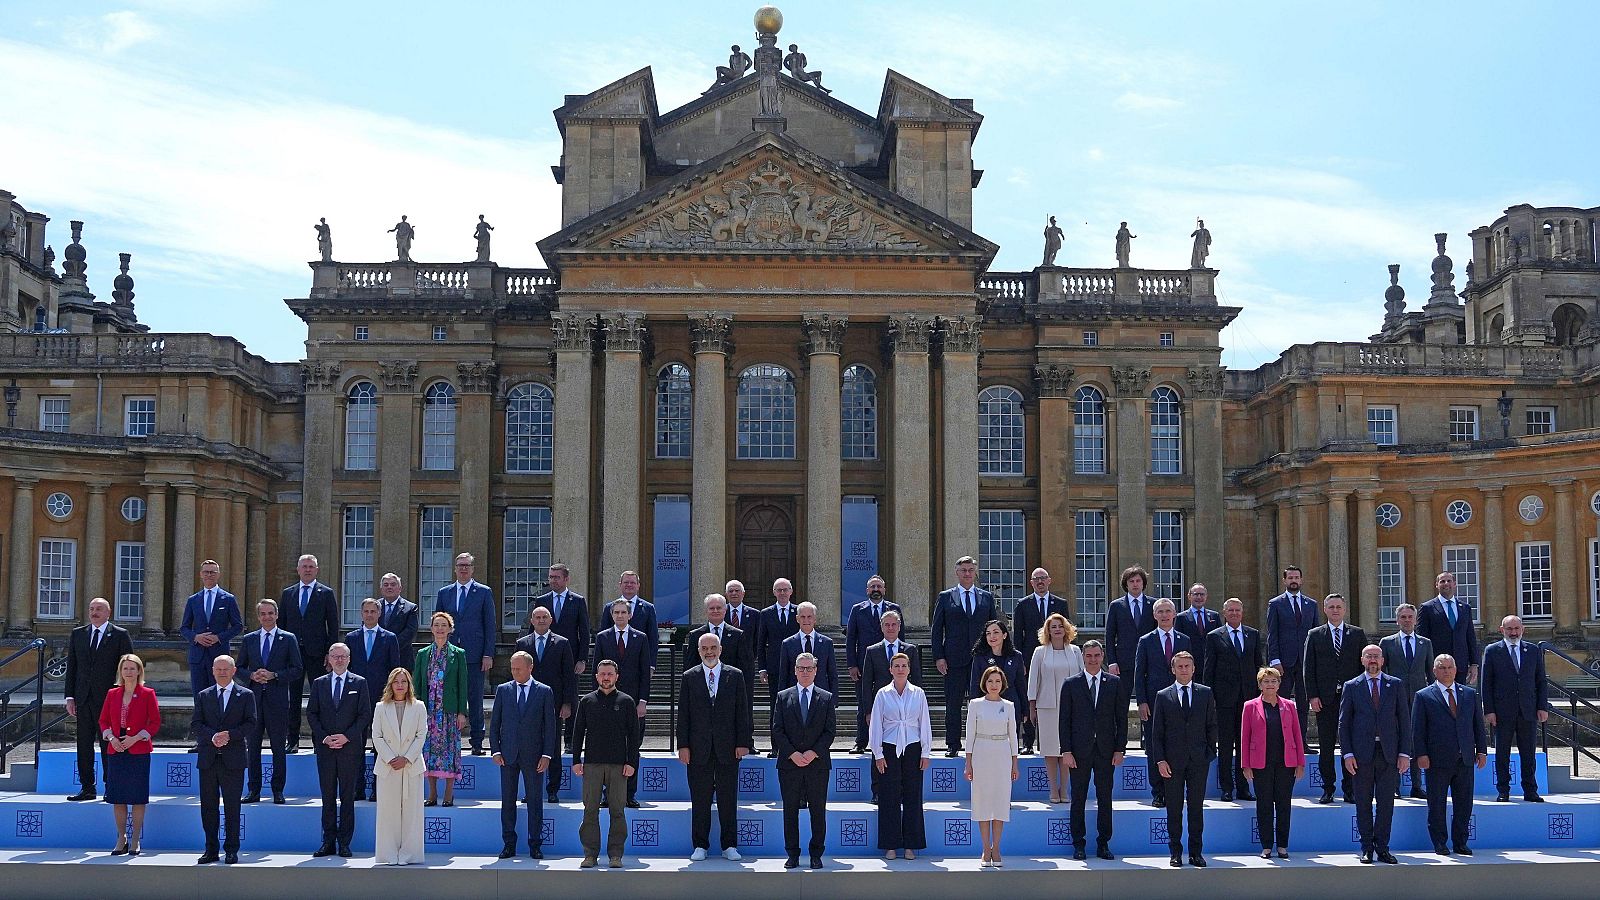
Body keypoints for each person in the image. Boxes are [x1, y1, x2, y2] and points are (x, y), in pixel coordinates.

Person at [678, 631, 753, 861]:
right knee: (699, 799)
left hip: (728, 748)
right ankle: (700, 845)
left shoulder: (735, 675)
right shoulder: (690, 677)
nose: (709, 652)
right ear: (698, 651)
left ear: (720, 650)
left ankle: (729, 845)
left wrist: (743, 742)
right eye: (704, 649)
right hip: (698, 749)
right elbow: (684, 715)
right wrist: (683, 746)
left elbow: (743, 712)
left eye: (713, 648)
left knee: (727, 798)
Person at [1338, 644, 1410, 864]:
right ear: (1362, 660)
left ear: (1382, 660)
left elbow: (1404, 722)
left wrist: (1405, 753)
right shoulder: (1352, 686)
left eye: (1376, 657)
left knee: (1386, 803)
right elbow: (1344, 723)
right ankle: (1367, 847)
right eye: (1369, 656)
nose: (1372, 660)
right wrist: (1347, 753)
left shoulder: (1395, 685)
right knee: (1363, 803)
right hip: (1361, 755)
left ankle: (1383, 847)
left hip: (1388, 753)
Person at [1411, 654, 1488, 855]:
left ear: (1456, 670)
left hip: (1465, 758)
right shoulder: (1424, 695)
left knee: (1464, 803)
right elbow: (1418, 729)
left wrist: (1481, 750)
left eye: (1449, 667)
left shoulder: (1469, 694)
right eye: (1442, 668)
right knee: (1437, 804)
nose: (1446, 671)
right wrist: (1421, 754)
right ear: (1435, 671)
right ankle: (1440, 842)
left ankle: (1460, 842)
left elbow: (1478, 726)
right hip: (1437, 760)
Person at [1057, 641, 1126, 861]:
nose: (1093, 659)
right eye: (1089, 655)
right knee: (1078, 798)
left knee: (1105, 798)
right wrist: (1066, 750)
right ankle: (1079, 844)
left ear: (1103, 656)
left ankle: (1103, 843)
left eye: (1097, 655)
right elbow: (1064, 721)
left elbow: (1121, 720)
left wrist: (1119, 749)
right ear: (1083, 657)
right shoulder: (1071, 684)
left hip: (1106, 751)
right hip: (1078, 752)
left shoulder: (1114, 683)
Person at [1149, 651, 1216, 867]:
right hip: (1172, 762)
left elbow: (1211, 726)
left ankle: (1196, 853)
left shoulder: (1205, 693)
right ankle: (1175, 852)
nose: (1184, 670)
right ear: (1173, 669)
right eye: (1180, 666)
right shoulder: (1163, 695)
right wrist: (1160, 760)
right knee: (1174, 809)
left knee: (1196, 808)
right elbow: (1156, 732)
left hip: (1198, 761)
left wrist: (1209, 753)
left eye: (1188, 666)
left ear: (1194, 668)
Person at [572, 660, 641, 869]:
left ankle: (615, 854)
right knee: (590, 809)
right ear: (596, 677)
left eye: (610, 674)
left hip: (619, 765)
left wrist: (631, 762)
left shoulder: (627, 701)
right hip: (592, 764)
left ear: (617, 676)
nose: (606, 677)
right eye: (602, 674)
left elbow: (634, 736)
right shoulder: (587, 701)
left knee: (617, 810)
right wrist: (576, 760)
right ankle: (590, 854)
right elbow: (577, 733)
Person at [64, 597, 133, 802]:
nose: (94, 612)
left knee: (109, 744)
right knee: (83, 744)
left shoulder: (120, 635)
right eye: (92, 608)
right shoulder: (78, 634)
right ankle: (87, 788)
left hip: (110, 700)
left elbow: (128, 669)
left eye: (99, 609)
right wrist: (70, 697)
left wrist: (125, 697)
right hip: (83, 699)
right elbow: (72, 668)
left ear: (108, 613)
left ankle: (111, 787)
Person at [307, 643, 372, 858]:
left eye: (343, 656)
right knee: (327, 797)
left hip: (349, 749)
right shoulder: (319, 683)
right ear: (329, 659)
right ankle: (328, 842)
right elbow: (312, 715)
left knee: (347, 798)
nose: (339, 660)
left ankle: (345, 842)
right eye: (335, 656)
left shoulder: (359, 683)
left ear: (349, 658)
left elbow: (364, 715)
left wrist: (347, 737)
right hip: (326, 749)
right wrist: (325, 737)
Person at [491, 650, 556, 859]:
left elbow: (550, 727)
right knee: (507, 801)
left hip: (534, 755)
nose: (514, 672)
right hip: (507, 755)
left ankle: (535, 844)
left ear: (530, 668)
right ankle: (508, 844)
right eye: (512, 668)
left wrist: (547, 755)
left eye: (518, 668)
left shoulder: (544, 691)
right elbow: (495, 724)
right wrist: (495, 750)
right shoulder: (503, 690)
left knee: (535, 802)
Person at [236, 598, 303, 804]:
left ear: (276, 615)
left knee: (277, 748)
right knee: (253, 747)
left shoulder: (288, 638)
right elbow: (239, 668)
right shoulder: (250, 639)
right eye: (263, 614)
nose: (267, 617)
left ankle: (277, 790)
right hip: (254, 701)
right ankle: (253, 790)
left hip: (278, 700)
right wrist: (251, 675)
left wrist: (275, 675)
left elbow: (297, 669)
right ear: (258, 617)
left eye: (270, 613)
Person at [1302, 593, 1367, 804]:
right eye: (1331, 607)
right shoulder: (1315, 634)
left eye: (1339, 606)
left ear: (1344, 609)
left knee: (1351, 745)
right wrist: (1312, 695)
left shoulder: (1357, 634)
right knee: (1327, 746)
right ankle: (1328, 788)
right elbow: (1308, 668)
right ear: (1325, 609)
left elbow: (1363, 669)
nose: (1335, 610)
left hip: (1351, 700)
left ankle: (1350, 789)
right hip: (1325, 699)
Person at [773, 652, 835, 869]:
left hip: (817, 765)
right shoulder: (783, 697)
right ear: (795, 670)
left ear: (816, 671)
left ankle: (816, 853)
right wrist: (793, 754)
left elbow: (829, 732)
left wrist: (813, 753)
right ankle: (792, 854)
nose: (805, 672)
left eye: (809, 668)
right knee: (790, 810)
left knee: (818, 810)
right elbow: (777, 730)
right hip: (789, 765)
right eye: (801, 668)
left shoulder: (826, 698)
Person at [192, 654, 256, 864]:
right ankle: (211, 849)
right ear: (212, 671)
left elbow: (251, 724)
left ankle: (231, 849)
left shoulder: (245, 695)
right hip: (209, 759)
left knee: (232, 807)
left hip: (233, 760)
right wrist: (212, 736)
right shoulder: (203, 695)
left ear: (234, 671)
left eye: (225, 669)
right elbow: (196, 724)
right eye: (218, 669)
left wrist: (230, 735)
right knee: (208, 807)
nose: (221, 672)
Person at [1479, 614, 1549, 802]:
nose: (1513, 632)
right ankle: (1503, 790)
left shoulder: (1532, 650)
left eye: (1516, 629)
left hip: (1528, 710)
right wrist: (1489, 710)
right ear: (1502, 630)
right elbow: (1486, 684)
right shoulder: (1492, 651)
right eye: (1509, 629)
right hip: (1502, 712)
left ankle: (1530, 790)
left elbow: (1541, 681)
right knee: (1503, 753)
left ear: (1522, 630)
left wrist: (1542, 706)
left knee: (1529, 753)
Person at [931, 556, 996, 757]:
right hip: (953, 659)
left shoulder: (986, 597)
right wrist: (938, 656)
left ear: (975, 572)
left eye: (970, 570)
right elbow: (936, 629)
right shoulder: (945, 597)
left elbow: (994, 628)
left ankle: (980, 742)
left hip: (982, 660)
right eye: (963, 570)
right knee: (953, 703)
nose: (967, 573)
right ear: (957, 573)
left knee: (983, 703)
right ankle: (952, 744)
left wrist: (995, 656)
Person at [869, 652, 930, 860]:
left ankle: (912, 845)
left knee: (913, 796)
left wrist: (926, 751)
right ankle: (891, 845)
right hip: (889, 747)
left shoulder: (918, 693)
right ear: (890, 669)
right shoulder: (882, 694)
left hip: (913, 747)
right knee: (889, 796)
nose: (901, 669)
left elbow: (925, 724)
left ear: (909, 669)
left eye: (904, 665)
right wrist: (877, 753)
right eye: (897, 666)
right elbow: (876, 724)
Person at [1202, 598, 1264, 801]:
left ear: (1242, 612)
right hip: (1224, 699)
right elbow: (1208, 670)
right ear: (1224, 613)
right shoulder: (1214, 636)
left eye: (1238, 610)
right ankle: (1227, 788)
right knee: (1227, 745)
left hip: (1248, 699)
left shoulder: (1252, 634)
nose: (1235, 613)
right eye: (1231, 610)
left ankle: (1244, 787)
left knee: (1245, 744)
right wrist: (1209, 698)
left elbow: (1258, 668)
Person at [435, 552, 497, 755]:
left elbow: (490, 625)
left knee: (475, 698)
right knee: (448, 697)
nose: (463, 569)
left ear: (472, 569)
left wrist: (488, 653)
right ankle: (448, 740)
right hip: (449, 655)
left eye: (467, 566)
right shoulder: (445, 593)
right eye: (460, 565)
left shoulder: (483, 592)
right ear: (455, 568)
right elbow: (438, 625)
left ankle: (477, 742)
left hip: (475, 655)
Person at [592, 598, 652, 807]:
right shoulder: (602, 638)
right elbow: (596, 673)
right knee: (607, 748)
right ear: (611, 615)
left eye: (623, 612)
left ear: (630, 615)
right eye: (616, 612)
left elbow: (645, 673)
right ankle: (608, 795)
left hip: (634, 703)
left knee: (632, 748)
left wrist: (642, 701)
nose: (619, 616)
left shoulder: (641, 638)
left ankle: (629, 794)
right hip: (608, 702)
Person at [514, 606, 577, 804]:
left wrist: (567, 703)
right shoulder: (522, 643)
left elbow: (569, 676)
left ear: (550, 621)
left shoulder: (562, 643)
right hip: (528, 704)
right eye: (537, 617)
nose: (541, 620)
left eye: (544, 617)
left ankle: (553, 789)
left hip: (554, 704)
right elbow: (516, 675)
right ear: (531, 620)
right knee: (528, 748)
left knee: (553, 746)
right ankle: (531, 790)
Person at [1240, 666, 1304, 859]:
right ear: (1260, 685)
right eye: (1266, 681)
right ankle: (1266, 846)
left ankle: (1283, 845)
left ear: (1279, 684)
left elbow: (1297, 735)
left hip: (1286, 763)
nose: (1270, 684)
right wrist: (1246, 764)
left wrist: (1300, 762)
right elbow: (1245, 737)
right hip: (1261, 764)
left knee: (1284, 805)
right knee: (1264, 805)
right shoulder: (1250, 706)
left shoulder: (1289, 706)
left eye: (1274, 681)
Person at [99, 653, 158, 856]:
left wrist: (136, 738)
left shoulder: (148, 693)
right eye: (125, 668)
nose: (129, 672)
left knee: (138, 797)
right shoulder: (112, 694)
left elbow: (155, 722)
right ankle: (121, 837)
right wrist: (111, 737)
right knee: (118, 798)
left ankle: (135, 840)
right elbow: (103, 721)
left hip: (138, 749)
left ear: (139, 671)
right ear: (120, 672)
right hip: (116, 749)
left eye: (132, 668)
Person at [280, 554, 340, 751]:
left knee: (319, 699)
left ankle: (319, 740)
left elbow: (333, 626)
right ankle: (293, 739)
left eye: (311, 567)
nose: (307, 569)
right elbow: (282, 625)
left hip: (318, 654)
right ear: (298, 569)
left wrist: (330, 654)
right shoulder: (288, 593)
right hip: (293, 655)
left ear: (317, 570)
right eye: (304, 566)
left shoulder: (326, 593)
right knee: (293, 698)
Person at [1133, 598, 1189, 807]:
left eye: (1168, 611)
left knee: (1177, 745)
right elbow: (1139, 674)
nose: (1165, 615)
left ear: (1174, 614)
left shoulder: (1184, 640)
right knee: (1154, 747)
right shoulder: (1145, 641)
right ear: (1154, 616)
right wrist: (1141, 701)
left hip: (1178, 700)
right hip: (1154, 701)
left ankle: (1175, 789)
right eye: (1160, 612)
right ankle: (1158, 792)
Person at [372, 666, 428, 865]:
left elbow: (421, 735)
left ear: (409, 684)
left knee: (412, 813)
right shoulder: (381, 707)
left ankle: (409, 855)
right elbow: (376, 736)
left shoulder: (419, 707)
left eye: (404, 681)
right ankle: (388, 854)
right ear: (390, 684)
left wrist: (407, 758)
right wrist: (390, 758)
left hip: (411, 766)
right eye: (396, 681)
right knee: (388, 812)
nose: (400, 685)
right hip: (388, 767)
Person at [348, 597, 402, 798]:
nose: (369, 615)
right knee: (357, 745)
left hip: (382, 699)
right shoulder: (351, 638)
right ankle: (358, 788)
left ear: (379, 614)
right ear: (361, 614)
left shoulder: (389, 638)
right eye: (366, 611)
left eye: (373, 611)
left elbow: (394, 670)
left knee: (381, 745)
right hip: (357, 700)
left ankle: (378, 789)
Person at [415, 611, 470, 807]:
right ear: (431, 629)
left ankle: (448, 793)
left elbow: (463, 684)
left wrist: (462, 712)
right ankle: (431, 794)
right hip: (428, 711)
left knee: (449, 751)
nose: (440, 628)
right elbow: (417, 683)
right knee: (428, 751)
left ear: (450, 629)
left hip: (448, 711)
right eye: (436, 625)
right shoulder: (422, 654)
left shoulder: (458, 654)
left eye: (443, 625)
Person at [1013, 568, 1071, 754]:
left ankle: (1059, 742)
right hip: (1030, 658)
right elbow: (1018, 635)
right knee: (1030, 698)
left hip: (1056, 657)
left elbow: (1067, 631)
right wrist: (1019, 660)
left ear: (1049, 581)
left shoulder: (1060, 603)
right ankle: (1029, 742)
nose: (1040, 582)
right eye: (1036, 579)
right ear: (1031, 583)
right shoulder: (1023, 604)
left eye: (1043, 578)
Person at [1027, 612, 1084, 803]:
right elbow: (1033, 680)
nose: (1057, 629)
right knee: (1051, 750)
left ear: (1066, 628)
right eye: (1053, 627)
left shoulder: (1075, 651)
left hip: (1073, 708)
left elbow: (1083, 679)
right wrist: (1032, 706)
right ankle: (1053, 788)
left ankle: (1064, 789)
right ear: (1048, 631)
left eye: (1060, 626)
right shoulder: (1040, 652)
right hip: (1047, 707)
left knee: (1067, 749)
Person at [1380, 603, 1435, 799]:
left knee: (1417, 741)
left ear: (1415, 619)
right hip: (1395, 700)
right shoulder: (1387, 643)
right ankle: (1394, 786)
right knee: (1394, 742)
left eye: (1410, 617)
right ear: (1397, 620)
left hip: (1419, 699)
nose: (1407, 620)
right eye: (1403, 617)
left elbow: (1430, 672)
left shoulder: (1425, 643)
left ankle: (1417, 785)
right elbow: (1382, 673)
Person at [965, 665, 1018, 866]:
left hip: (1002, 754)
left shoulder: (1009, 706)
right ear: (984, 683)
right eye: (990, 681)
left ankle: (997, 848)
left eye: (997, 681)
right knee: (983, 801)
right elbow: (970, 735)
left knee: (1000, 802)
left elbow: (1013, 736)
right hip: (981, 753)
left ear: (1002, 683)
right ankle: (985, 848)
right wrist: (968, 763)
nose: (993, 685)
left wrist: (1015, 763)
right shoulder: (975, 705)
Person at [686, 592, 757, 731]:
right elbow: (690, 667)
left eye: (719, 608)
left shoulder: (738, 635)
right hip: (703, 691)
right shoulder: (695, 636)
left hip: (729, 690)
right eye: (712, 608)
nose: (715, 611)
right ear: (706, 611)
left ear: (725, 610)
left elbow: (746, 667)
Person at [845, 575, 900, 753]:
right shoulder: (857, 609)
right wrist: (852, 664)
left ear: (884, 589)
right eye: (872, 587)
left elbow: (902, 637)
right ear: (867, 590)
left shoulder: (894, 609)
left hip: (889, 665)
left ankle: (889, 740)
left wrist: (901, 664)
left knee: (891, 704)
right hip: (863, 666)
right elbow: (851, 638)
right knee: (864, 704)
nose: (876, 590)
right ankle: (861, 742)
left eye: (879, 587)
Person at [1265, 565, 1319, 745]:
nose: (1294, 580)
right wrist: (1275, 660)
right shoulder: (1276, 604)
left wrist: (1315, 661)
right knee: (1282, 703)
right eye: (1290, 578)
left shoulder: (1311, 605)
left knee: (1303, 705)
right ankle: (1283, 742)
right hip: (1284, 663)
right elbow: (1272, 634)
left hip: (1305, 663)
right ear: (1284, 581)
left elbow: (1316, 635)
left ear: (1301, 580)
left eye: (1296, 577)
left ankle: (1301, 741)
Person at [180, 560, 243, 700]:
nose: (209, 575)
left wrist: (219, 637)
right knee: (200, 697)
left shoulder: (228, 599)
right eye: (206, 572)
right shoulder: (193, 600)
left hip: (219, 656)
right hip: (198, 656)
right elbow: (184, 628)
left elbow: (238, 626)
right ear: (201, 575)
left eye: (212, 572)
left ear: (218, 574)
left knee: (219, 697)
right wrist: (196, 637)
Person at [968, 619, 1028, 750]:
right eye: (988, 633)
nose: (992, 636)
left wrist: (1024, 709)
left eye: (996, 632)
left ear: (1004, 635)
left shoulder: (1016, 656)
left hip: (1011, 703)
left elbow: (1020, 685)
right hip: (986, 705)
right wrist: (973, 707)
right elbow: (975, 684)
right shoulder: (980, 657)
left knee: (1011, 745)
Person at [1103, 565, 1156, 707]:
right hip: (1123, 663)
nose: (1135, 584)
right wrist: (1112, 661)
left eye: (1138, 581)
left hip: (1148, 661)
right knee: (1121, 704)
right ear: (1126, 584)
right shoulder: (1116, 606)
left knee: (1148, 703)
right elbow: (1109, 635)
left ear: (1143, 583)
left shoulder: (1154, 604)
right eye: (1131, 581)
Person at [528, 563, 589, 679]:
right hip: (545, 655)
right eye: (551, 577)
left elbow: (584, 632)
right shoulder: (542, 600)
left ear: (566, 579)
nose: (553, 580)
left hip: (570, 657)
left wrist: (582, 659)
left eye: (556, 577)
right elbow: (533, 630)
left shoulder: (578, 601)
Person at [1418, 571, 1480, 685]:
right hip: (1437, 666)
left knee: (1459, 699)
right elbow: (1422, 639)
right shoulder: (1427, 608)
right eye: (1442, 581)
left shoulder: (1465, 608)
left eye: (1449, 581)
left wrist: (1474, 664)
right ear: (1437, 585)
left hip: (1460, 666)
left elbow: (1470, 636)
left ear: (1455, 584)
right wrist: (1424, 666)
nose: (1446, 583)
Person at [777, 601, 838, 703]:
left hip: (821, 698)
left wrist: (834, 700)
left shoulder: (827, 642)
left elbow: (832, 674)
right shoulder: (788, 643)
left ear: (815, 619)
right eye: (802, 617)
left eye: (809, 616)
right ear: (797, 619)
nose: (806, 620)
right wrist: (782, 701)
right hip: (795, 698)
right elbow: (783, 675)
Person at [758, 577, 801, 698]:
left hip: (796, 665)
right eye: (779, 590)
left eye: (785, 590)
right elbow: (761, 643)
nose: (782, 593)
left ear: (791, 591)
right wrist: (762, 668)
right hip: (774, 666)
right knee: (775, 701)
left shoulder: (799, 611)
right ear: (774, 592)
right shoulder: (766, 613)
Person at [612, 570, 659, 673]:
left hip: (639, 662)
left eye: (632, 583)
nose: (629, 585)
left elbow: (653, 638)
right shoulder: (610, 607)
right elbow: (604, 636)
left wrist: (651, 665)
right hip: (614, 664)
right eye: (626, 582)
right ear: (620, 585)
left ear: (638, 586)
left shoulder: (648, 608)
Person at [1173, 584, 1221, 678]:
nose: (1199, 597)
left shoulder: (1214, 616)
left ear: (1206, 596)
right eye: (1196, 594)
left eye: (1202, 594)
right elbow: (1178, 642)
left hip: (1210, 663)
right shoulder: (1181, 617)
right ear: (1189, 596)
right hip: (1189, 665)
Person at [376, 572, 420, 650]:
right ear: (381, 589)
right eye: (386, 585)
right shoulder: (374, 606)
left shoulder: (410, 608)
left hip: (401, 655)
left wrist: (390, 647)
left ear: (400, 588)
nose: (389, 587)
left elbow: (410, 632)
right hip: (377, 654)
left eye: (393, 584)